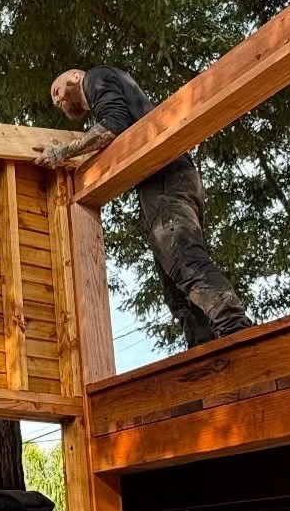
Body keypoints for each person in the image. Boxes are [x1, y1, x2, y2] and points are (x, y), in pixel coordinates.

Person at [37, 66, 251, 346]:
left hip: (164, 175)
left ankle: (235, 328)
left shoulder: (96, 78)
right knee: (174, 280)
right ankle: (205, 345)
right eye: (55, 101)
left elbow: (114, 124)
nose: (57, 101)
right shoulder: (114, 91)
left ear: (75, 77)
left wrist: (62, 151)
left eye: (57, 91)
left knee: (182, 258)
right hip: (171, 177)